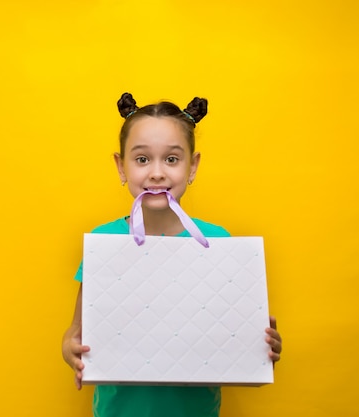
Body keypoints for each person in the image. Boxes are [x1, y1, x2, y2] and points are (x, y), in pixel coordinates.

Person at [62, 92, 283, 417]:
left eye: (171, 159)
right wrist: (71, 349)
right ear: (120, 166)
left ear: (192, 166)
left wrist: (261, 345)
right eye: (141, 159)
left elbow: (232, 333)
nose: (156, 173)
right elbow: (75, 331)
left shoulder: (218, 242)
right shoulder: (103, 242)